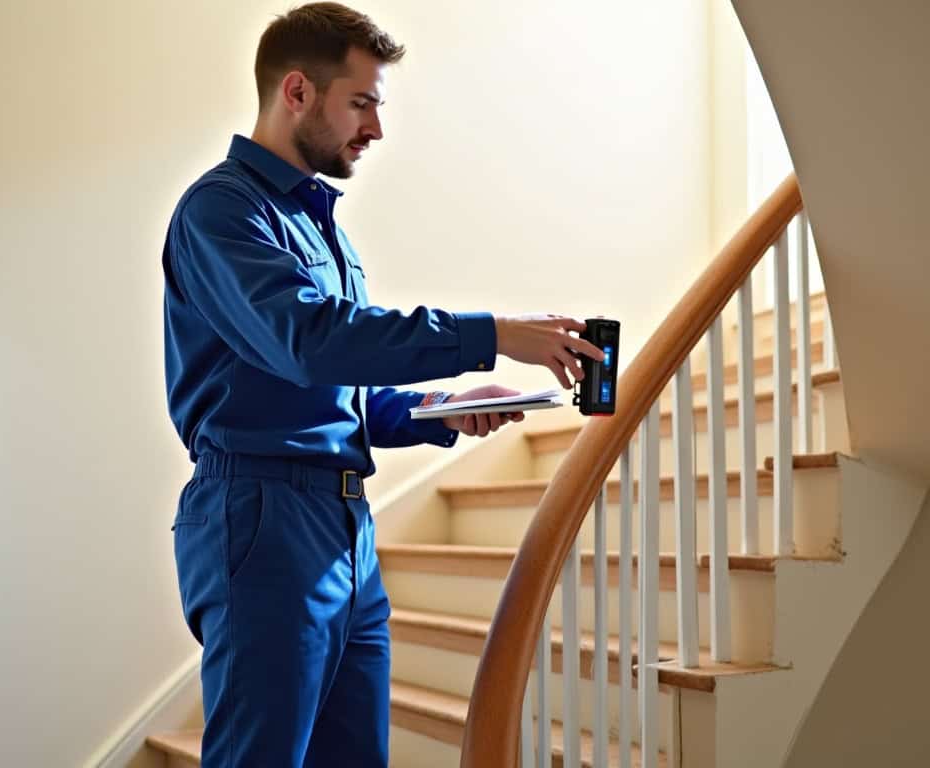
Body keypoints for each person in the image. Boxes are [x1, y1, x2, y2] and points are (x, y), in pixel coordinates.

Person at [161, 3, 605, 765]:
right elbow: (309, 342)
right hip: (262, 517)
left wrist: (440, 410)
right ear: (297, 92)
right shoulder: (222, 210)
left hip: (347, 531)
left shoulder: (327, 228)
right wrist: (493, 335)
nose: (375, 128)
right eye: (361, 102)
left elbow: (338, 391)